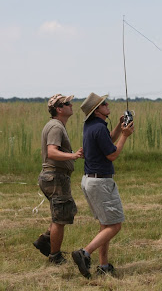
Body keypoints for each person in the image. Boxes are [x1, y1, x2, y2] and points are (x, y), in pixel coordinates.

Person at [72, 92, 134, 278]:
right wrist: (125, 136)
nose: (108, 105)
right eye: (104, 104)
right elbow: (112, 154)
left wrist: (118, 127)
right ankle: (84, 253)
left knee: (105, 224)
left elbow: (108, 142)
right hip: (100, 182)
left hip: (90, 180)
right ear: (97, 110)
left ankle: (104, 265)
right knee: (115, 225)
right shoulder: (98, 128)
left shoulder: (93, 125)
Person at [33, 94, 84, 265]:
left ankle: (45, 240)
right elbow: (52, 152)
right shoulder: (56, 127)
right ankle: (55, 257)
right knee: (60, 219)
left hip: (53, 176)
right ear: (59, 109)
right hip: (55, 177)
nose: (71, 105)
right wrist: (73, 155)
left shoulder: (55, 125)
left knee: (63, 212)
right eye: (67, 103)